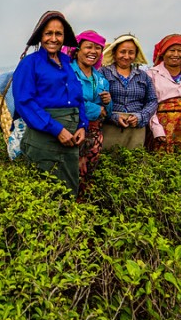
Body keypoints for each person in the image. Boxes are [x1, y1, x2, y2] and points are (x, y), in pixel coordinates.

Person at [12, 11, 88, 197]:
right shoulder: (30, 64)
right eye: (48, 33)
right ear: (40, 36)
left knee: (68, 193)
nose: (53, 38)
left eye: (58, 34)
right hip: (43, 138)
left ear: (64, 37)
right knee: (43, 194)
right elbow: (25, 102)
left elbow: (78, 99)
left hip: (71, 140)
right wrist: (56, 129)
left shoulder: (68, 63)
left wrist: (82, 125)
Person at [67, 30, 112, 195]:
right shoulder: (68, 72)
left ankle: (84, 206)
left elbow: (108, 111)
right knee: (71, 172)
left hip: (95, 136)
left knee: (89, 174)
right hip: (73, 131)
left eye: (98, 48)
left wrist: (108, 102)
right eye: (88, 47)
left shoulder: (100, 78)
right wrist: (97, 108)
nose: (93, 51)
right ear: (77, 49)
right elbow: (68, 100)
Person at [100, 34, 158, 150]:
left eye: (131, 52)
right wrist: (114, 117)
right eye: (122, 52)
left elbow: (152, 100)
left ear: (136, 55)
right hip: (110, 126)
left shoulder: (143, 76)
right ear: (114, 53)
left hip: (136, 128)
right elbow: (98, 100)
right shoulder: (103, 73)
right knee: (109, 162)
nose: (126, 56)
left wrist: (140, 116)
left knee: (134, 162)